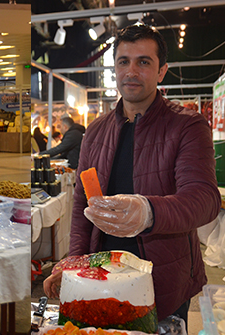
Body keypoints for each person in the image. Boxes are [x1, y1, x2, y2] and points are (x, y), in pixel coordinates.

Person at [43, 24, 220, 325]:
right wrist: (74, 260)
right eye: (123, 62)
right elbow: (80, 203)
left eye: (144, 62)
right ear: (114, 69)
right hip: (99, 276)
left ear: (162, 71)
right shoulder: (96, 131)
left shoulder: (187, 126)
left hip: (163, 278)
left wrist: (149, 212)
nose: (131, 71)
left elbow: (204, 199)